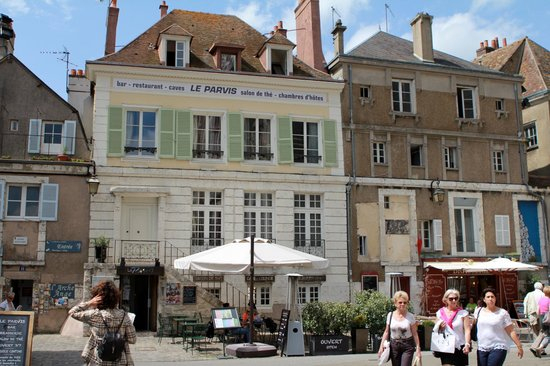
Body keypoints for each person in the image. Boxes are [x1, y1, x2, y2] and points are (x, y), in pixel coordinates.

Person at [69, 280, 136, 365]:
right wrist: (119, 337)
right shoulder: (124, 316)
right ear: (116, 298)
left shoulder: (94, 315)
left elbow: (72, 312)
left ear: (97, 299)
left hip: (99, 360)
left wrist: (89, 303)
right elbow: (132, 339)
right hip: (120, 361)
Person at [474, 287, 523, 366]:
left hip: (498, 346)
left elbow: (510, 330)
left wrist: (519, 346)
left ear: (495, 299)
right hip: (482, 347)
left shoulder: (502, 313)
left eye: (492, 297)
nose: (490, 299)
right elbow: (472, 326)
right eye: (488, 297)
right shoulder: (478, 311)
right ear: (484, 299)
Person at [378, 291, 422, 366]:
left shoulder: (410, 316)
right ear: (395, 303)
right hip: (394, 345)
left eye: (405, 302)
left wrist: (418, 348)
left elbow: (415, 333)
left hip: (407, 345)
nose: (402, 304)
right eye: (400, 302)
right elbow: (386, 332)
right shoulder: (390, 315)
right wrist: (381, 346)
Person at [435, 289, 471, 366]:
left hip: (459, 346)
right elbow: (436, 330)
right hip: (446, 345)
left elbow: (467, 330)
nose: (454, 300)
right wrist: (440, 327)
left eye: (456, 298)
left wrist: (467, 344)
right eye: (451, 299)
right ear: (446, 300)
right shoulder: (440, 313)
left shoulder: (463, 313)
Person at [530, 285, 550, 357]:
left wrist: (539, 318)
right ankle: (540, 348)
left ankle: (534, 347)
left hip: (541, 318)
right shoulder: (549, 300)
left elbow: (537, 311)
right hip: (548, 319)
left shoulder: (541, 300)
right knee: (548, 336)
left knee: (542, 333)